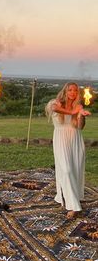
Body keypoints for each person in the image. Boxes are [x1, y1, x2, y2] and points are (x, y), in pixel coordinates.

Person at [45, 82, 91, 219]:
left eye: (75, 91)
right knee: (66, 169)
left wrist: (81, 115)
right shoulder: (56, 102)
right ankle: (73, 206)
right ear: (65, 91)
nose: (73, 92)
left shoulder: (78, 106)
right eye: (70, 90)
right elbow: (54, 108)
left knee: (75, 170)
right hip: (61, 140)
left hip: (75, 140)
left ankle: (72, 196)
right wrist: (72, 112)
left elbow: (80, 127)